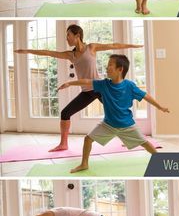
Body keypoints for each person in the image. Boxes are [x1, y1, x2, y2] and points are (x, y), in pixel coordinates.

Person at [16, 22, 132, 154]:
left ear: (77, 35)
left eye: (68, 35)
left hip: (100, 88)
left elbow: (113, 45)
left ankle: (130, 139)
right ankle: (63, 144)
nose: (67, 38)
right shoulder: (71, 55)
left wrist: (132, 46)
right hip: (87, 92)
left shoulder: (91, 47)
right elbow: (49, 53)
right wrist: (26, 51)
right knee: (65, 113)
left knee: (117, 111)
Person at [69, 51, 170, 173]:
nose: (107, 67)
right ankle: (84, 164)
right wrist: (69, 83)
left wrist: (160, 107)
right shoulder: (104, 84)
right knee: (88, 139)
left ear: (120, 69)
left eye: (110, 64)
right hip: (108, 124)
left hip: (127, 125)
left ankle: (161, 161)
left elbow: (146, 96)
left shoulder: (130, 86)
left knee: (144, 143)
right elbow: (87, 81)